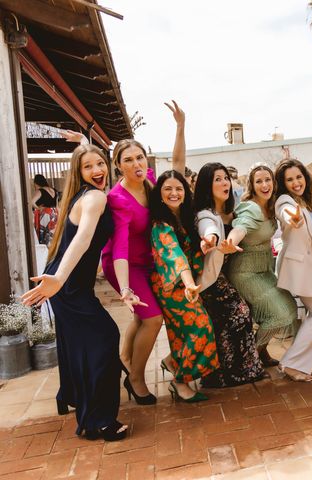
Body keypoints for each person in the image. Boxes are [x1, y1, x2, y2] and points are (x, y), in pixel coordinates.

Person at [22, 145, 127, 441]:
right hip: (66, 284)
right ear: (78, 173)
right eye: (88, 167)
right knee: (105, 338)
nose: (97, 171)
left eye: (100, 164)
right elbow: (81, 241)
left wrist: (83, 139)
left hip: (67, 283)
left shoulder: (83, 195)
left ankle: (77, 401)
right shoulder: (94, 197)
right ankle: (99, 420)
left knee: (79, 344)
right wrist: (57, 278)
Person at [101, 101, 185, 405]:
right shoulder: (117, 198)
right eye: (128, 160)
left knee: (141, 316)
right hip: (124, 265)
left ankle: (125, 359)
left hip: (149, 261)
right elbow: (119, 246)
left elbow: (177, 165)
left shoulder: (149, 181)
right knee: (152, 318)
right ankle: (136, 378)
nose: (136, 163)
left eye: (140, 157)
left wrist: (180, 126)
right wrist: (124, 288)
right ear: (118, 165)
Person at [193, 162, 265, 387]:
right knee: (240, 313)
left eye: (226, 178)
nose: (225, 182)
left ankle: (225, 373)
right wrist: (211, 239)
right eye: (217, 179)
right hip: (212, 279)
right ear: (207, 185)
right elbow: (208, 228)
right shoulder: (206, 214)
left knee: (227, 323)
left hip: (229, 274)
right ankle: (239, 370)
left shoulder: (232, 211)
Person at [149, 170, 218, 402]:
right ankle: (179, 381)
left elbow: (193, 248)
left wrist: (206, 246)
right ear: (159, 193)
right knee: (200, 327)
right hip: (172, 287)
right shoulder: (160, 225)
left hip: (188, 286)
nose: (174, 193)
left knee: (187, 332)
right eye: (168, 188)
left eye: (178, 188)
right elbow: (175, 256)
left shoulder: (186, 218)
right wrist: (189, 284)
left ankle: (172, 362)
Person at [225, 164, 298, 367]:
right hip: (245, 272)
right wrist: (232, 241)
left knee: (290, 307)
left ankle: (262, 351)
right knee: (280, 313)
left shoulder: (271, 205)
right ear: (252, 185)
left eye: (268, 180)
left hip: (264, 269)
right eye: (259, 181)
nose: (264, 185)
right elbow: (241, 227)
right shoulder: (252, 207)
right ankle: (252, 358)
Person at [273, 158, 312, 382]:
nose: (296, 182)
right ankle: (290, 363)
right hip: (300, 267)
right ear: (283, 184)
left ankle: (301, 360)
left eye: (298, 177)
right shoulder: (285, 201)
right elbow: (286, 213)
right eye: (289, 179)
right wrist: (293, 218)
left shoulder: (309, 202)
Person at [31, 174, 59, 246]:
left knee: (44, 234)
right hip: (54, 213)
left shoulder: (40, 190)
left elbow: (32, 202)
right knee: (52, 233)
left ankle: (45, 250)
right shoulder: (54, 190)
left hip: (45, 215)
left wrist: (39, 208)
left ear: (36, 183)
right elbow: (57, 205)